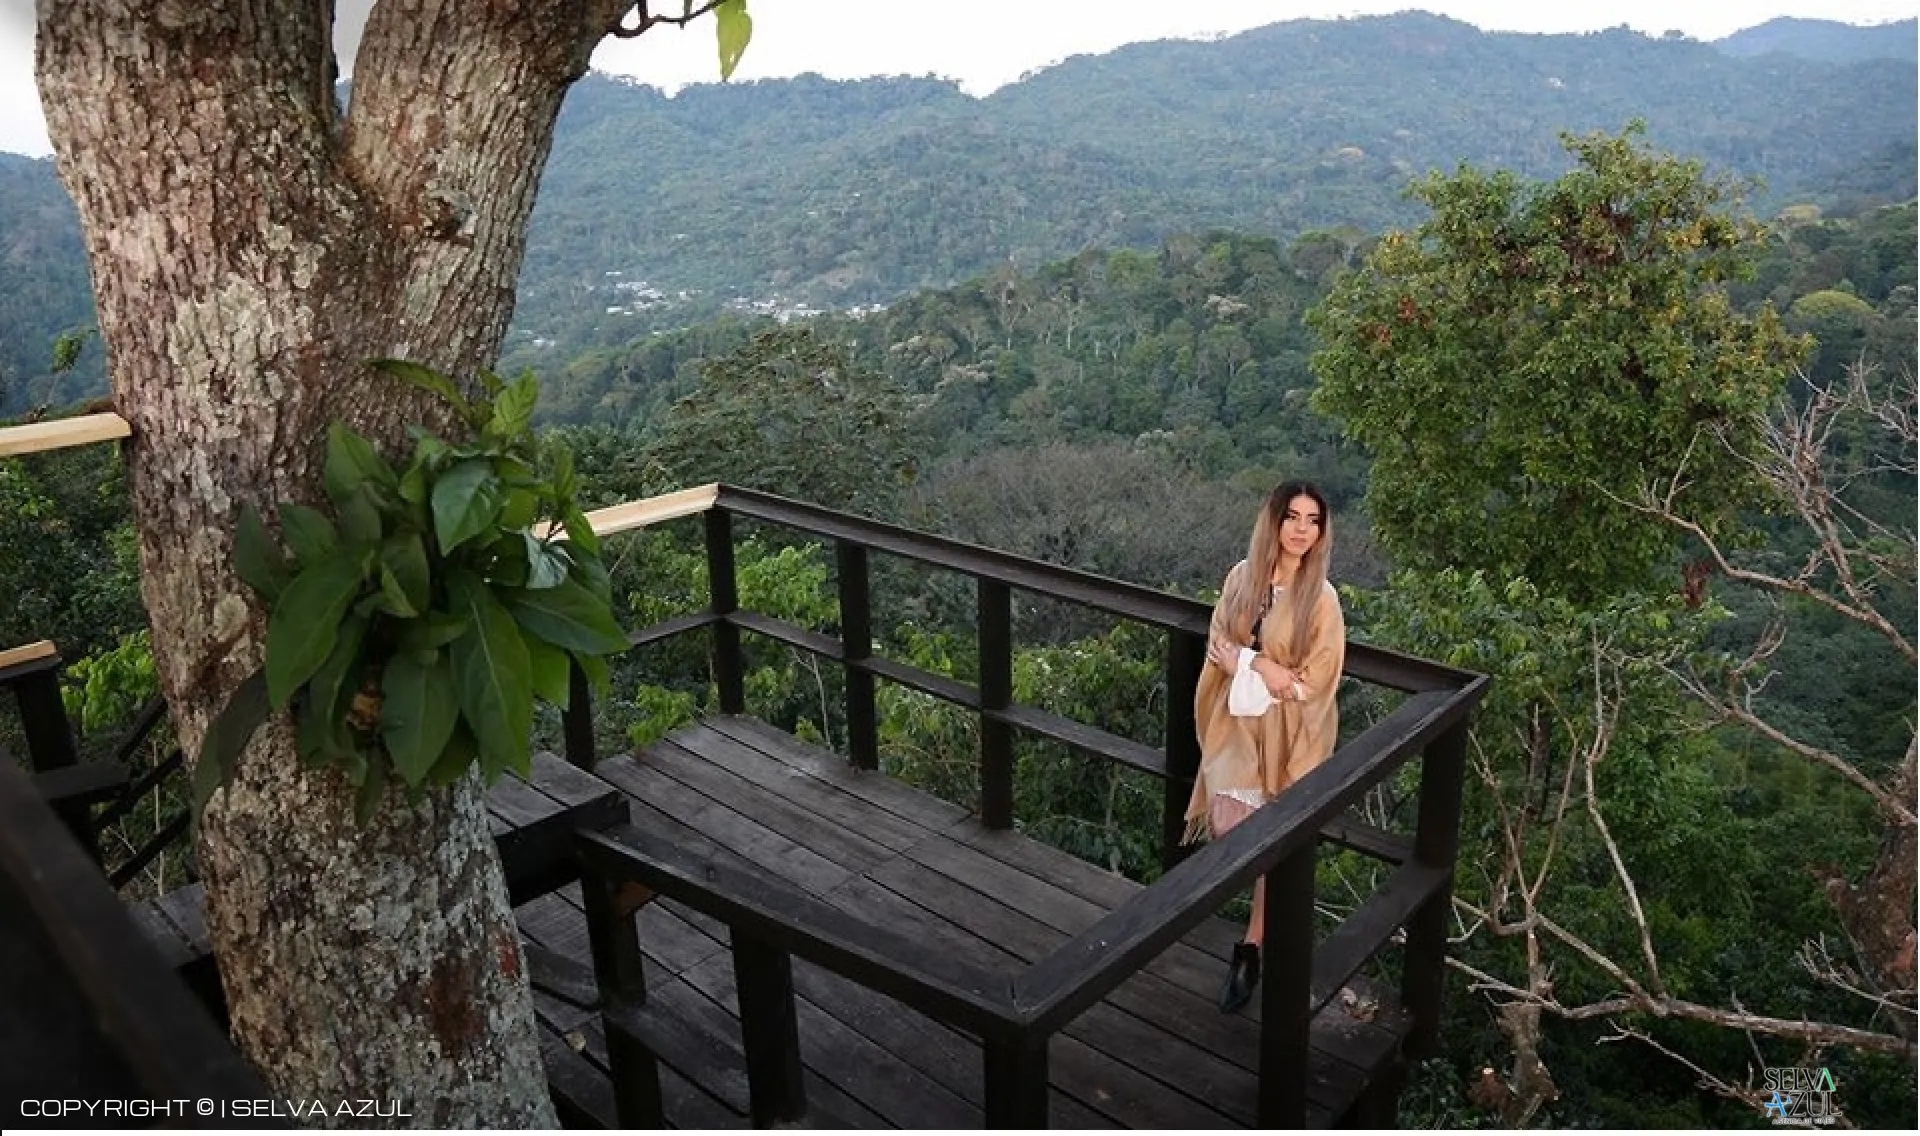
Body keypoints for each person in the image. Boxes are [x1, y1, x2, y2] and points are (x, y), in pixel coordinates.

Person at [1185, 480, 1345, 1013]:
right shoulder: (1242, 578)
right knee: (1231, 825)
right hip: (1237, 724)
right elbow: (1219, 644)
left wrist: (1257, 667)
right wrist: (1259, 667)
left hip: (1293, 732)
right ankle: (1261, 935)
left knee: (1273, 840)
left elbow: (1315, 681)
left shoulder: (1321, 599)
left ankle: (1252, 946)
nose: (1302, 530)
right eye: (1292, 517)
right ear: (1273, 520)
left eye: (1313, 521)